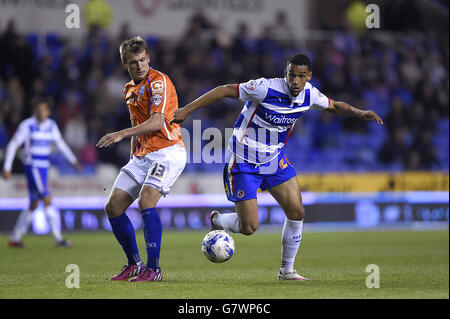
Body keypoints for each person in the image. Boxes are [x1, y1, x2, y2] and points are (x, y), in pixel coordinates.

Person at [172, 53, 383, 281]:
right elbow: (223, 90)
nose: (296, 81)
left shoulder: (310, 94)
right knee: (249, 227)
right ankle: (218, 221)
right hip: (243, 162)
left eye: (301, 76)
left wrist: (359, 112)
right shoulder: (264, 88)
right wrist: (187, 110)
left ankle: (287, 271)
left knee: (297, 211)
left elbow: (333, 106)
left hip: (273, 160)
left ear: (308, 76)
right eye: (292, 74)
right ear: (286, 73)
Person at [96, 36, 186, 282]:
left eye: (143, 60)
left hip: (168, 151)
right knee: (113, 207)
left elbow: (157, 121)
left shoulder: (159, 82)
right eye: (134, 62)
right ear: (125, 64)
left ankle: (153, 268)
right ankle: (134, 264)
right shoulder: (129, 90)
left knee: (147, 201)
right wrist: (132, 155)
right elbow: (138, 124)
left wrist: (120, 134)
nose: (140, 66)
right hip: (142, 155)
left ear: (149, 58)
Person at [2, 99, 82, 248]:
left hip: (43, 166)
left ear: (48, 112)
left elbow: (60, 144)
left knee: (33, 203)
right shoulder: (27, 125)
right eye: (38, 110)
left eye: (43, 110)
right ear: (35, 111)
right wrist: (7, 167)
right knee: (47, 198)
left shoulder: (51, 125)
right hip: (33, 166)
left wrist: (73, 160)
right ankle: (58, 238)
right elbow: (13, 144)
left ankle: (15, 238)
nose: (41, 112)